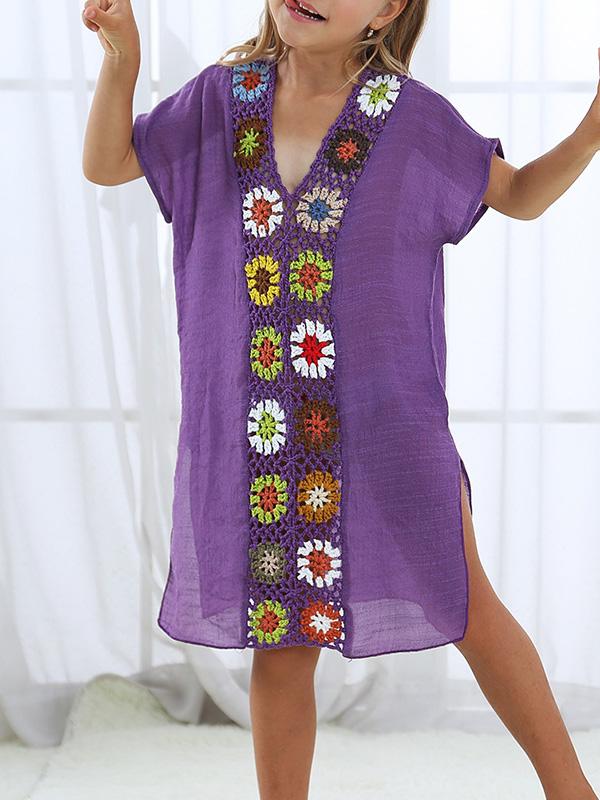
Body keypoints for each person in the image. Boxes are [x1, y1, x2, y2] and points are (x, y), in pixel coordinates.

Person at [81, 1, 600, 798]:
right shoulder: (222, 99)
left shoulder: (413, 119)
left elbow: (521, 194)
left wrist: (594, 126)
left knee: (468, 607)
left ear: (388, 8)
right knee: (282, 643)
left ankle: (573, 792)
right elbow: (108, 161)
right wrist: (122, 56)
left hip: (386, 427)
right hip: (262, 437)